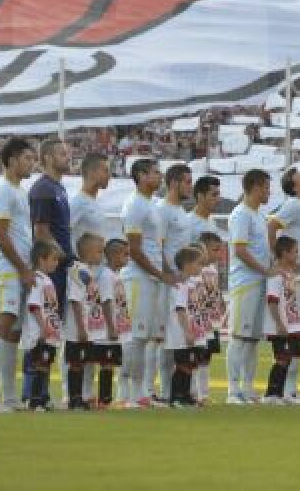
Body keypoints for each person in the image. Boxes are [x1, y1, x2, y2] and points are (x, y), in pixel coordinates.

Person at [0, 137, 36, 413]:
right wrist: (23, 268)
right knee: (1, 326)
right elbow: (0, 235)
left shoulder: (20, 192)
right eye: (27, 158)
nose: (31, 163)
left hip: (20, 270)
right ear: (12, 160)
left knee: (14, 333)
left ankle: (11, 397)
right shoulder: (2, 190)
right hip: (6, 270)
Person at [120, 158, 168, 409]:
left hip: (152, 277)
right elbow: (135, 250)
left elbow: (155, 246)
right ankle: (125, 391)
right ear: (141, 175)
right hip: (138, 277)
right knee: (135, 336)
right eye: (155, 173)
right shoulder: (134, 205)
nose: (160, 177)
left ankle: (140, 392)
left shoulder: (151, 205)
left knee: (146, 336)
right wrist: (158, 273)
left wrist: (164, 271)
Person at [28, 138, 71, 404]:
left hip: (60, 267)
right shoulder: (43, 189)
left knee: (52, 330)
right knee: (41, 331)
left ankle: (41, 392)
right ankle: (33, 393)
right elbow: (41, 232)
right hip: (50, 269)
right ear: (45, 158)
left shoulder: (58, 188)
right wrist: (60, 255)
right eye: (61, 153)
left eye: (68, 152)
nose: (67, 157)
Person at [269, 167, 300, 398]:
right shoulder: (293, 205)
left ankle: (291, 388)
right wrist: (276, 258)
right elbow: (272, 225)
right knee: (291, 332)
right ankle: (285, 389)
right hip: (295, 281)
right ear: (294, 186)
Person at [226, 168, 274, 404]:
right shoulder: (240, 214)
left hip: (260, 283)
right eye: (266, 187)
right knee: (239, 337)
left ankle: (247, 387)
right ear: (255, 187)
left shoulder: (260, 216)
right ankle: (233, 390)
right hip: (244, 284)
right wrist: (266, 270)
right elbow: (240, 250)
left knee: (253, 338)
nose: (269, 192)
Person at [156, 163, 193, 402]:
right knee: (162, 338)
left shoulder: (181, 212)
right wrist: (169, 273)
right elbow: (156, 246)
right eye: (187, 182)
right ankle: (155, 391)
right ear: (173, 183)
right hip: (167, 283)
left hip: (181, 283)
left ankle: (172, 392)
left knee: (177, 338)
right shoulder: (162, 210)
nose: (190, 186)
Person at [20, 239, 64, 411]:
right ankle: (32, 399)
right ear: (41, 259)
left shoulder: (47, 280)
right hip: (40, 333)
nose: (56, 262)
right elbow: (34, 306)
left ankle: (43, 397)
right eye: (53, 259)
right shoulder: (37, 280)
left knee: (45, 365)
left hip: (49, 333)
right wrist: (43, 327)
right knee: (36, 365)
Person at [62, 232, 104, 410]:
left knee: (86, 361)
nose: (102, 255)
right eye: (99, 252)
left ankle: (84, 396)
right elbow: (76, 300)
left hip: (89, 327)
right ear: (86, 253)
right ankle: (75, 399)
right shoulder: (79, 271)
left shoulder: (88, 271)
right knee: (76, 363)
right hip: (77, 328)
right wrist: (80, 327)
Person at [263, 235, 300, 404]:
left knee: (289, 359)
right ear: (285, 253)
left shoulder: (290, 275)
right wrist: (279, 323)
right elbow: (272, 301)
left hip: (292, 325)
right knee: (281, 359)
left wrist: (298, 324)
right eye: (295, 251)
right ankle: (271, 394)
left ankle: (283, 394)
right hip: (281, 325)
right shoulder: (276, 275)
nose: (298, 255)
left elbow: (292, 301)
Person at [164, 246, 204, 407]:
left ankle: (185, 396)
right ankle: (176, 397)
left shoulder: (191, 284)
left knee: (190, 365)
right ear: (187, 265)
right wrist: (187, 332)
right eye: (199, 264)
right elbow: (180, 310)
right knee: (182, 365)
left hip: (191, 331)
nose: (201, 267)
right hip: (180, 333)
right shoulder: (180, 285)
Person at [93, 238, 130, 408]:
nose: (128, 258)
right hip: (108, 330)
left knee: (110, 363)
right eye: (125, 254)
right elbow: (106, 301)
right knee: (106, 363)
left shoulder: (115, 275)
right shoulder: (107, 276)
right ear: (114, 255)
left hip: (115, 328)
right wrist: (111, 326)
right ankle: (103, 400)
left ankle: (104, 399)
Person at [194, 232, 226, 403]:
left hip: (212, 322)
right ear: (203, 249)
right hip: (200, 321)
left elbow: (215, 291)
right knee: (197, 357)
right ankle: (194, 393)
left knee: (207, 358)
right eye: (215, 250)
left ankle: (204, 394)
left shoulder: (213, 270)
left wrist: (221, 302)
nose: (218, 254)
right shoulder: (196, 269)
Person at [68, 153, 110, 244]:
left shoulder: (96, 201)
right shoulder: (78, 202)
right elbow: (62, 234)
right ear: (92, 172)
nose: (109, 175)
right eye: (105, 171)